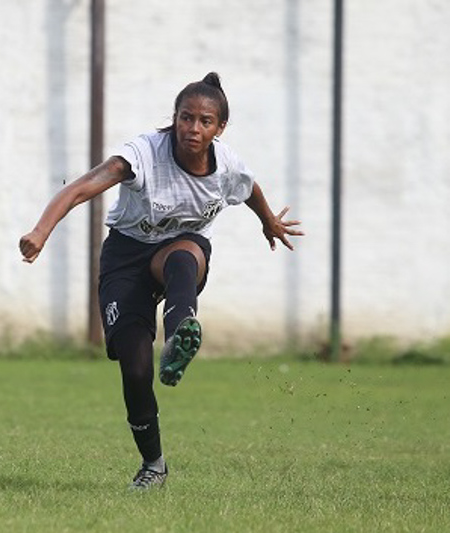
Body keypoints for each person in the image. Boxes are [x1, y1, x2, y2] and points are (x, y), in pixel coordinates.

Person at [19, 72, 303, 490]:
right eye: (186, 118)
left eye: (205, 121)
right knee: (134, 369)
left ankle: (178, 337)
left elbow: (250, 188)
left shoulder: (227, 165)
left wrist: (269, 223)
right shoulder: (143, 155)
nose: (193, 128)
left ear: (219, 128)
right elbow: (81, 188)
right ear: (174, 118)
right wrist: (40, 232)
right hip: (126, 258)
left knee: (184, 256)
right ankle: (153, 464)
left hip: (179, 255)